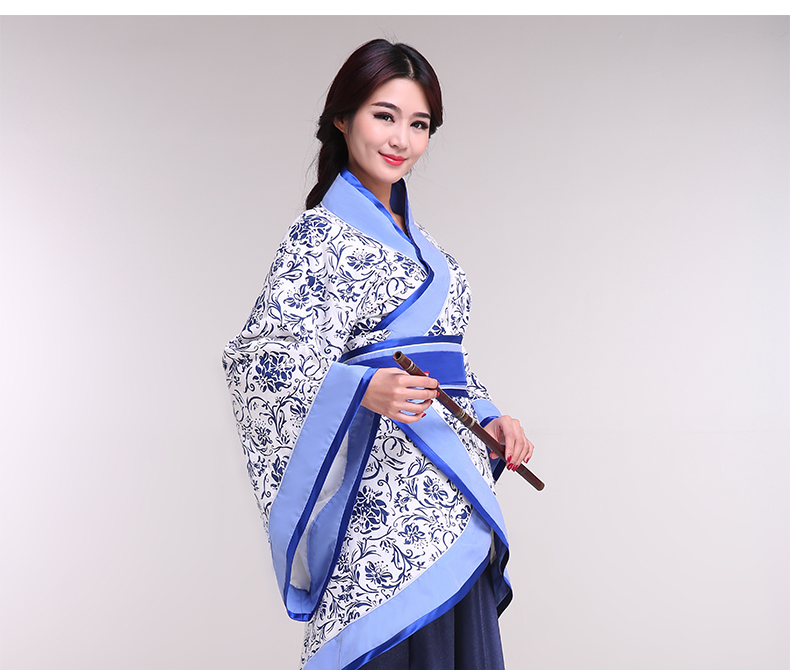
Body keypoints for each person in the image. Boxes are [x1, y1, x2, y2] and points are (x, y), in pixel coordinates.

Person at [223, 38, 534, 670]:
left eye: (419, 124)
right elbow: (260, 362)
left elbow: (448, 364)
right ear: (343, 118)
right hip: (380, 508)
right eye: (384, 115)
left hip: (454, 495)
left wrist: (492, 417)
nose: (401, 139)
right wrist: (361, 388)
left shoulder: (431, 250)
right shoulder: (317, 239)